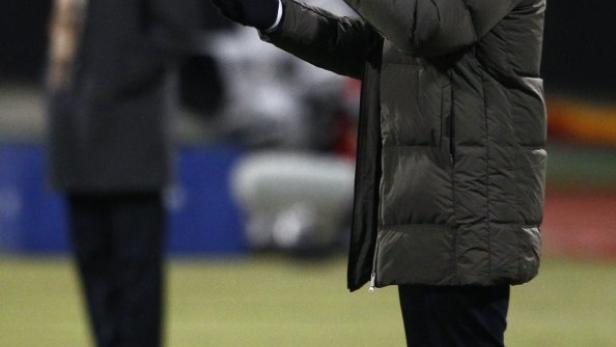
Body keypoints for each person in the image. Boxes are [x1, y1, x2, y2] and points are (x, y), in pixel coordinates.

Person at [210, 0, 547, 346]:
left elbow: (429, 30)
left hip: (471, 199)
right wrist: (277, 15)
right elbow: (377, 49)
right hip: (422, 197)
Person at [47, 0, 207, 346]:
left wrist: (107, 81)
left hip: (130, 142)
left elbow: (177, 30)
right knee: (95, 271)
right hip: (75, 143)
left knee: (135, 278)